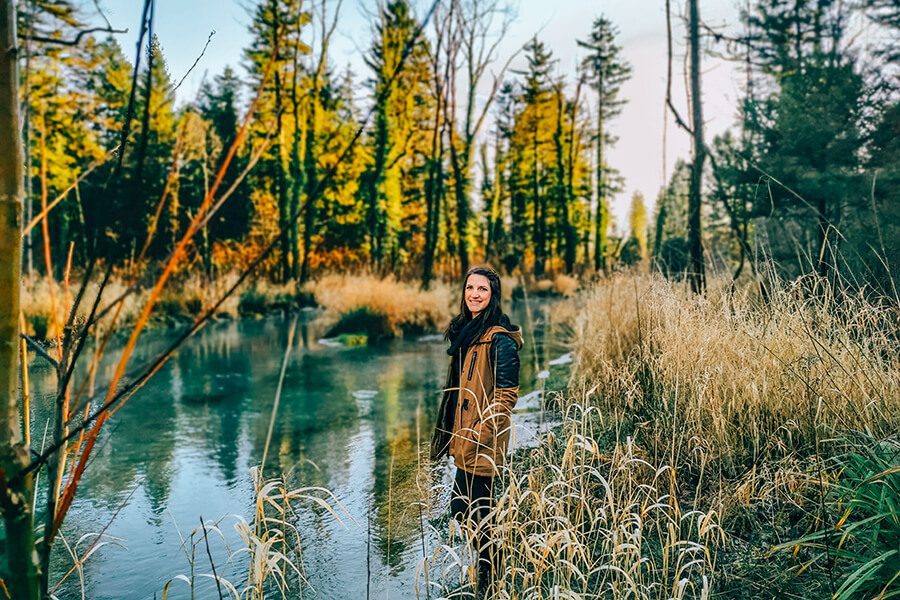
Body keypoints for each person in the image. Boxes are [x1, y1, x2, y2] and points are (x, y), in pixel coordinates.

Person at [430, 265, 523, 597]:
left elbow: (505, 397)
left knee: (475, 511)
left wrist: (478, 435)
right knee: (466, 508)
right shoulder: (469, 332)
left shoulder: (499, 338)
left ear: (493, 294)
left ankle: (490, 577)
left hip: (483, 441)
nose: (474, 294)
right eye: (470, 287)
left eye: (482, 289)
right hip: (465, 437)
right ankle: (491, 568)